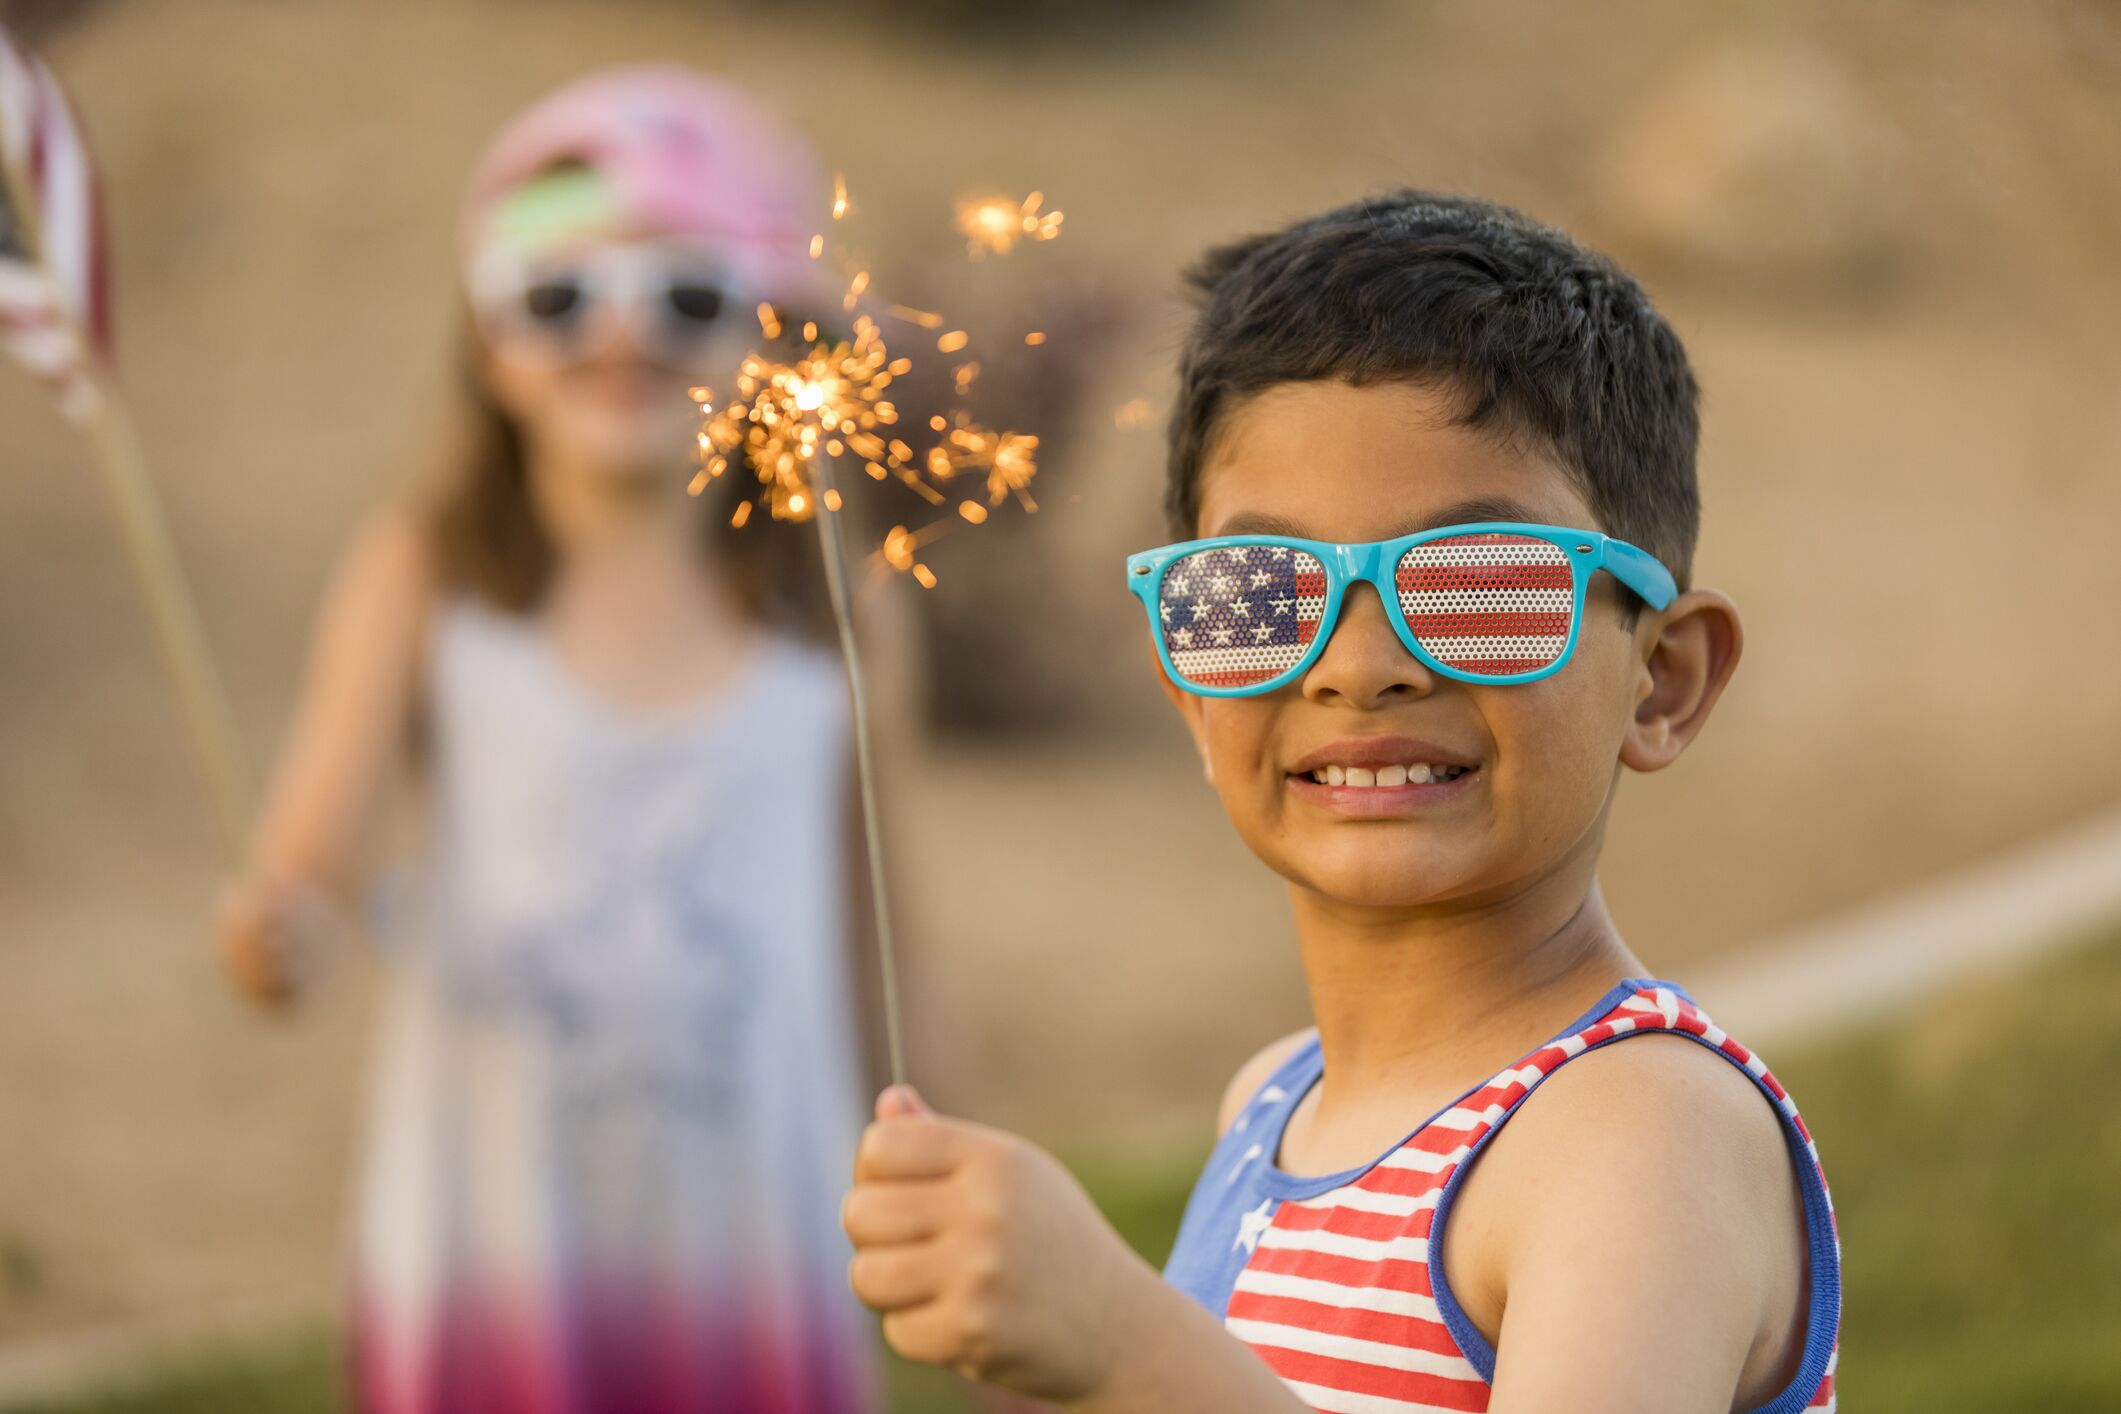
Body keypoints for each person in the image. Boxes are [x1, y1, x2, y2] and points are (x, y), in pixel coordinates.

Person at [842, 191, 1841, 1413]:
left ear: (1663, 681)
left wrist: (1128, 1347)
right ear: (1190, 696)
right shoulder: (1272, 1101)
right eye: (1256, 590)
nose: (1357, 661)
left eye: (1478, 584)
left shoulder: (1639, 1134)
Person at [215, 66, 884, 1414]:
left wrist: (963, 1178)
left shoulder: (840, 607)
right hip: (497, 1233)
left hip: (754, 1238)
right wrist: (274, 936)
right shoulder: (426, 571)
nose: (619, 337)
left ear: (774, 341)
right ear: (484, 339)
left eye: (688, 297)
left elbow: (886, 936)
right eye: (556, 294)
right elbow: (310, 871)